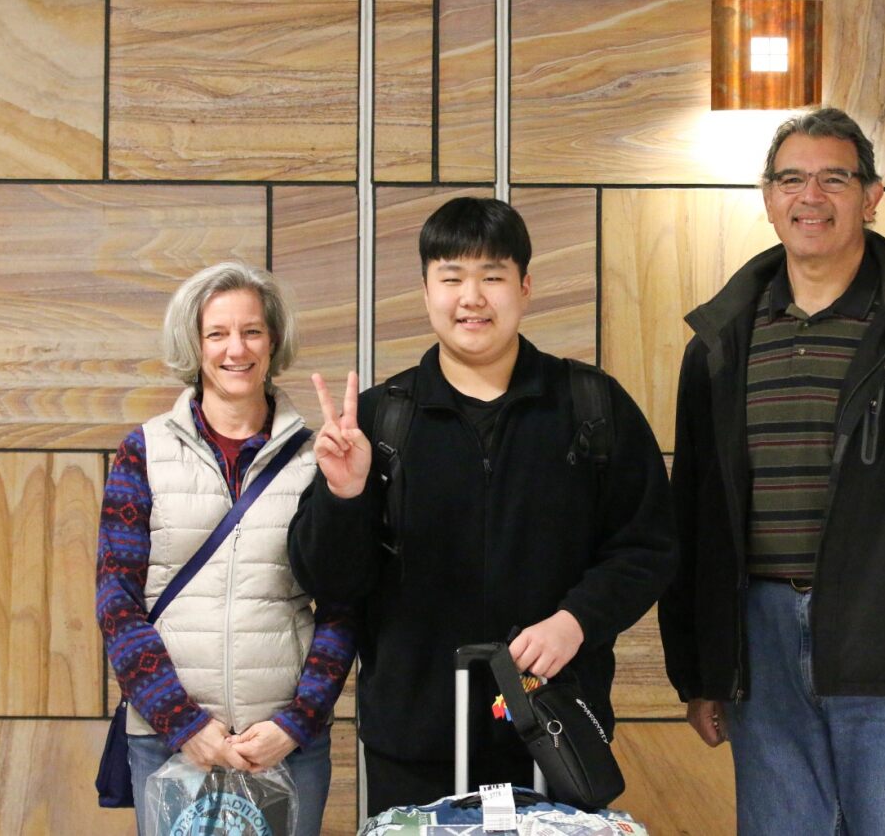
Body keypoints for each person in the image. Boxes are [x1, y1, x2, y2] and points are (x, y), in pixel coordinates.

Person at [658, 107, 885, 834]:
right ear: (768, 197)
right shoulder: (720, 343)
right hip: (758, 658)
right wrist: (701, 670)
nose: (812, 197)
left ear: (872, 195)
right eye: (792, 179)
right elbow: (693, 514)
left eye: (835, 178)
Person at [287, 196, 677, 814]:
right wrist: (345, 493)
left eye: (492, 277)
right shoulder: (382, 419)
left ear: (524, 287)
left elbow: (648, 546)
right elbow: (331, 581)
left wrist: (576, 620)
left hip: (554, 725)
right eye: (452, 277)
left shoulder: (589, 405)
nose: (471, 297)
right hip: (414, 738)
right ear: (425, 290)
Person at [96, 262, 354, 836]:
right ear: (194, 344)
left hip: (284, 742)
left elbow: (344, 605)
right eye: (217, 334)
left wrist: (297, 721)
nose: (236, 349)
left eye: (252, 331)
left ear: (273, 341)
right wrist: (184, 723)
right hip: (169, 739)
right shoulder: (143, 451)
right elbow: (117, 601)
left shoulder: (319, 458)